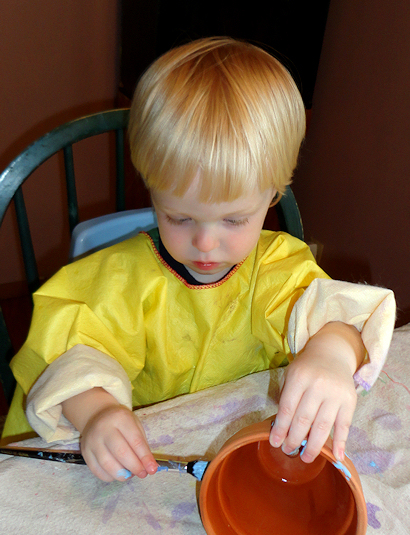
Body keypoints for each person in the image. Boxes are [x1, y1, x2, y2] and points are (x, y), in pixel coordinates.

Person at [3, 37, 395, 482]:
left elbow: (333, 316)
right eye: (180, 217)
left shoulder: (276, 270)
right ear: (152, 191)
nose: (206, 244)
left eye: (233, 219)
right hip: (144, 465)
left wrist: (331, 353)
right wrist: (96, 414)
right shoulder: (118, 283)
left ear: (273, 194)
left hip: (243, 459)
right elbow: (70, 360)